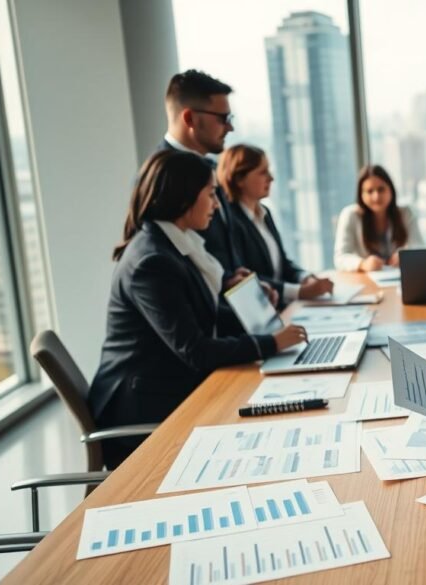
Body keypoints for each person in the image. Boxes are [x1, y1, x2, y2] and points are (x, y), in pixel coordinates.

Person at [89, 150, 306, 468]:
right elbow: (196, 350)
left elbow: (199, 317)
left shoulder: (177, 245)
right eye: (210, 194)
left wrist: (246, 302)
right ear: (182, 199)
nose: (217, 205)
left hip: (171, 388)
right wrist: (272, 342)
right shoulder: (153, 261)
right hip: (145, 410)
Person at [218, 144, 333, 304]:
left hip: (281, 306)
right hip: (264, 310)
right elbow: (245, 279)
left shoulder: (264, 212)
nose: (271, 178)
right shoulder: (232, 223)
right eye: (262, 172)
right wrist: (300, 292)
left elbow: (283, 263)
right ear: (239, 180)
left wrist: (305, 277)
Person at [158, 69, 241, 276]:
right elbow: (168, 266)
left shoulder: (210, 167)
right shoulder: (161, 178)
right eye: (223, 118)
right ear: (190, 118)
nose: (230, 127)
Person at [334, 165, 423, 272]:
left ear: (391, 189)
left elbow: (419, 249)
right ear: (361, 195)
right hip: (366, 281)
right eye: (370, 191)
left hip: (401, 279)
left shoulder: (406, 213)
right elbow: (340, 257)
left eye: (381, 189)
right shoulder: (350, 215)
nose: (376, 196)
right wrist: (363, 264)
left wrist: (406, 256)